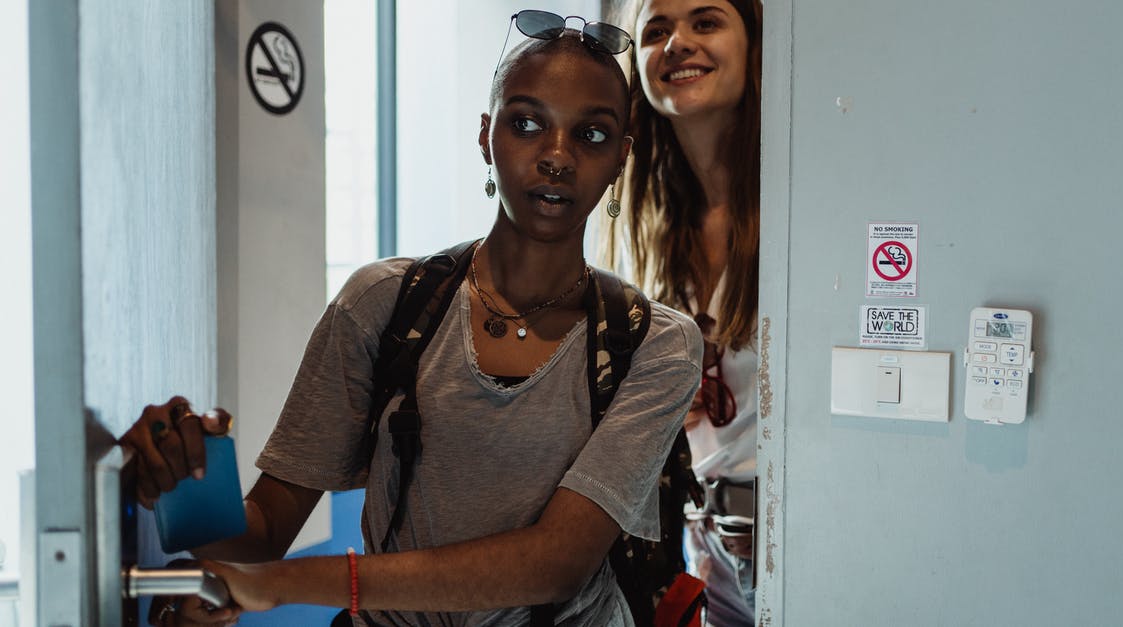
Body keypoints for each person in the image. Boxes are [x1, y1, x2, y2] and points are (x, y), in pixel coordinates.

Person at [121, 14, 703, 626]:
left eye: (590, 134)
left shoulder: (653, 345)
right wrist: (181, 479)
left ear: (620, 159)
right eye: (526, 123)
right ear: (486, 136)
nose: (556, 157)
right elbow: (264, 532)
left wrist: (282, 584)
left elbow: (555, 562)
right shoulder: (384, 304)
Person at [601, 0, 762, 624]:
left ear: (754, 46)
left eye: (705, 21)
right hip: (702, 544)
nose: (677, 44)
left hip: (803, 534)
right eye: (656, 31)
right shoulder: (640, 228)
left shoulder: (803, 201)